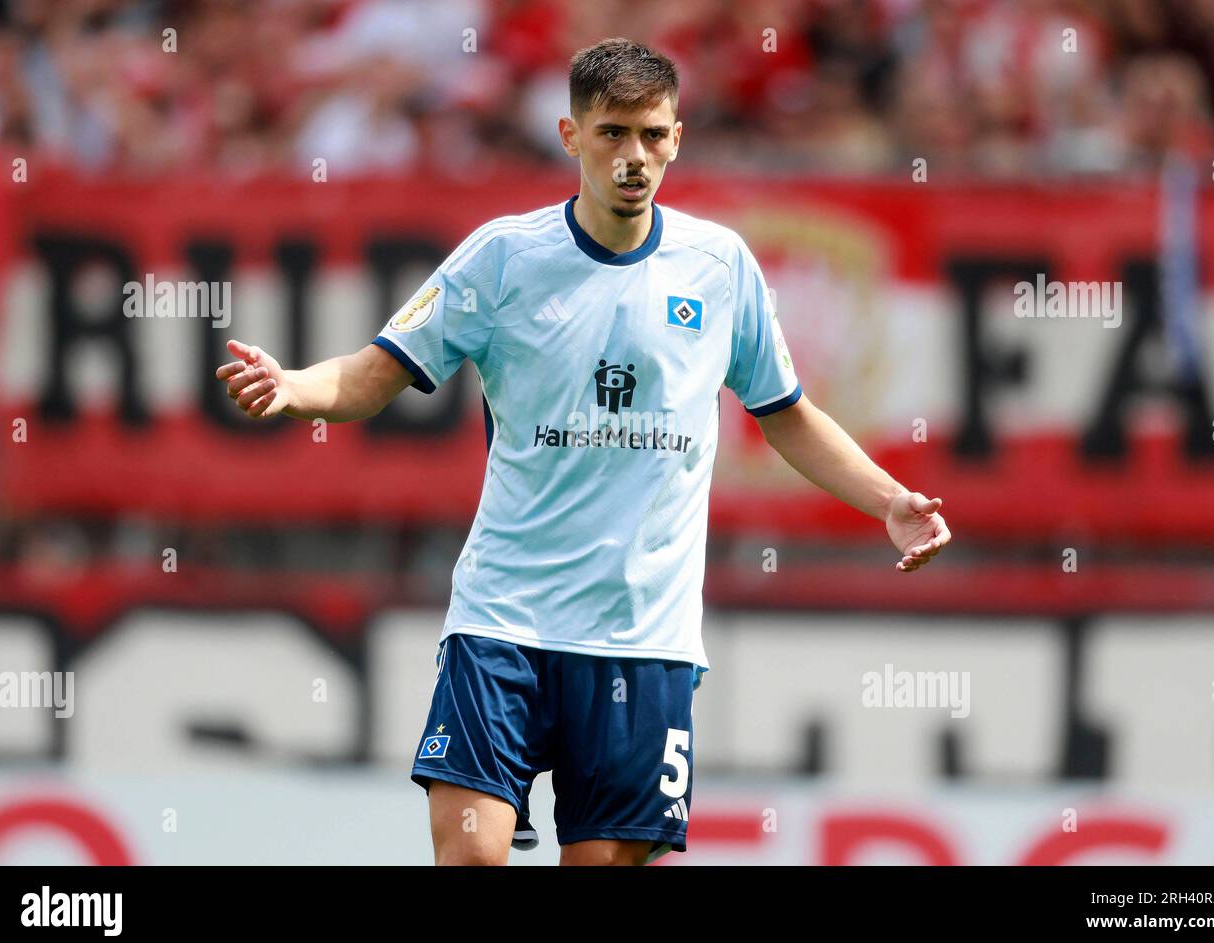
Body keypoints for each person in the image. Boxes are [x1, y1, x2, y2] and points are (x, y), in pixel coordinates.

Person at [215, 38, 951, 866]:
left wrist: (888, 499)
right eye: (612, 134)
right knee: (472, 854)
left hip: (644, 637)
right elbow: (368, 376)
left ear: (675, 138)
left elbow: (786, 414)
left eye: (652, 135)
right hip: (504, 618)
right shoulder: (504, 258)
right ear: (571, 136)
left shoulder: (720, 268)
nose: (633, 157)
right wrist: (293, 388)